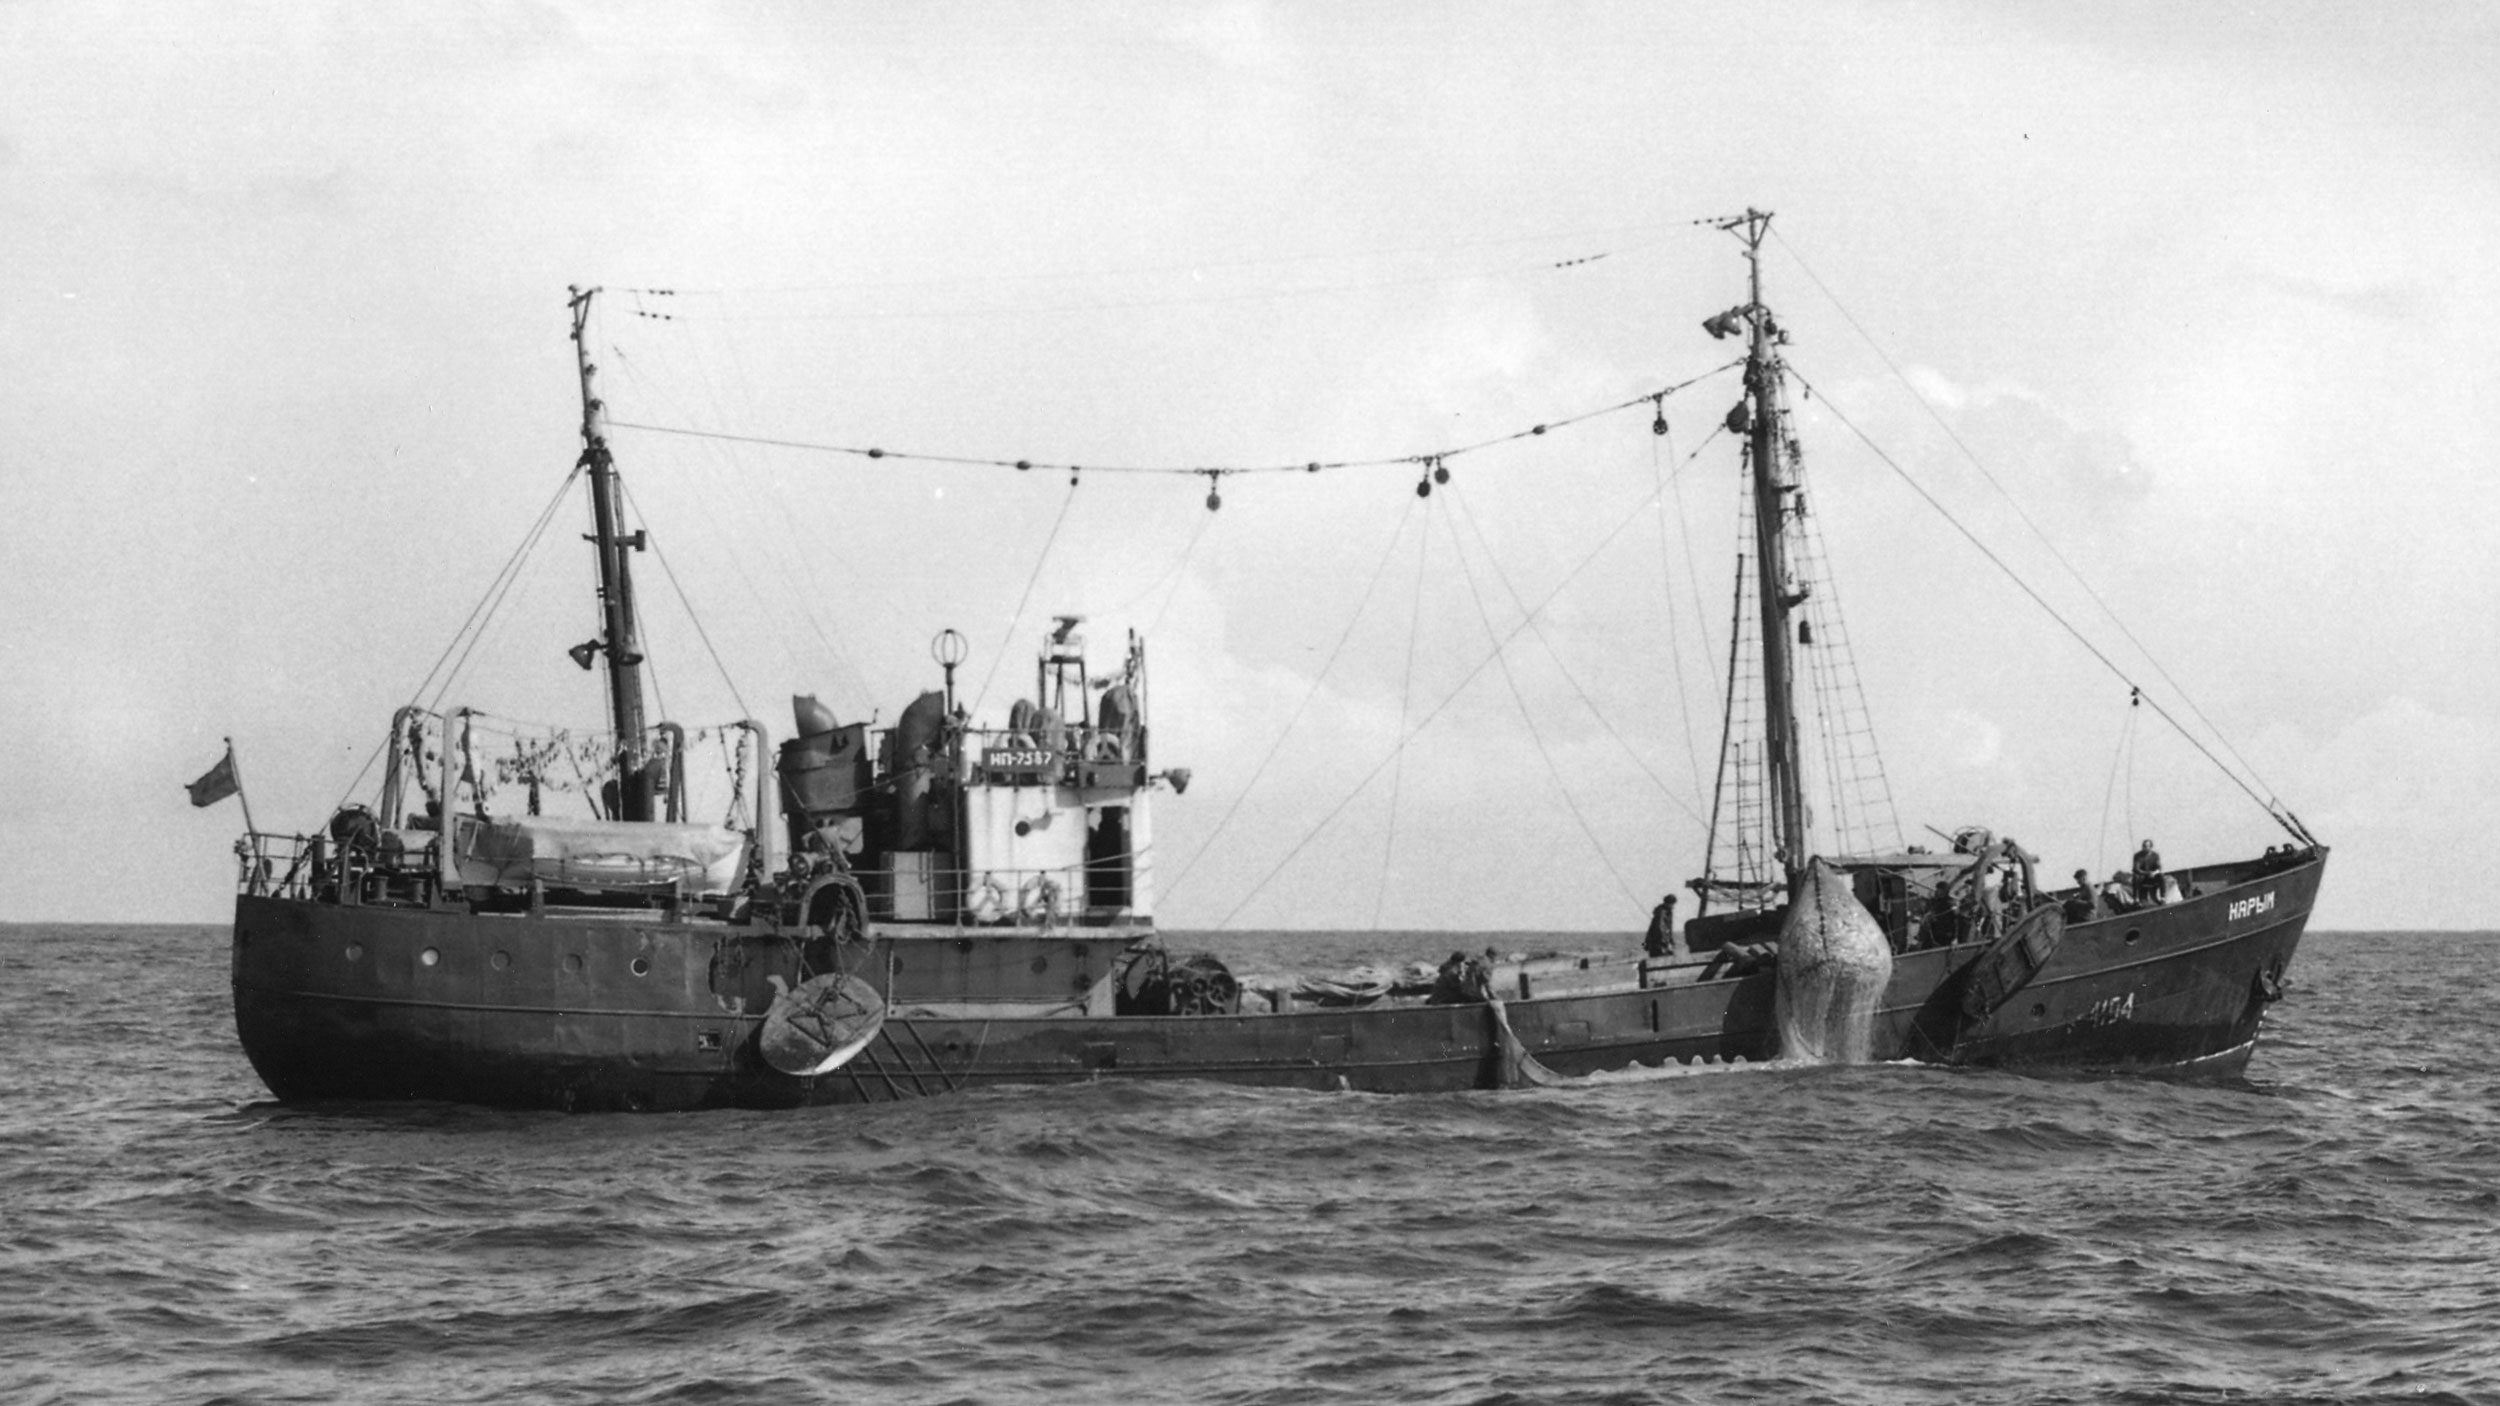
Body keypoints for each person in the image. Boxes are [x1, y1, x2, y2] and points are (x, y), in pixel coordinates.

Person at [1644, 894, 1681, 958]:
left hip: (1658, 943)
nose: (1673, 906)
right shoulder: (1662, 912)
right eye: (1672, 904)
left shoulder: (1665, 911)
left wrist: (1670, 941)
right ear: (1668, 903)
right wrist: (1667, 943)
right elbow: (1660, 928)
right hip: (1658, 944)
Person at [2133, 839, 2164, 905]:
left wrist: (2154, 873)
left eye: (2147, 846)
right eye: (2144, 846)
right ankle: (2136, 900)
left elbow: (2159, 868)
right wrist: (2147, 873)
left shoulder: (2155, 855)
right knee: (2135, 878)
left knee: (2161, 876)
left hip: (2153, 876)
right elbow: (2137, 869)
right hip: (2143, 876)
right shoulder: (2138, 856)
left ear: (2151, 847)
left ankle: (2162, 898)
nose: (2145, 848)